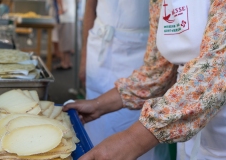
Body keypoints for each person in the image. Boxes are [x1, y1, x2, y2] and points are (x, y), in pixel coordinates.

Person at [64, 0, 226, 159]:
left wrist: (133, 140)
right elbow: (158, 71)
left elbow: (217, 68)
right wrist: (98, 105)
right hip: (189, 128)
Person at [75, 0, 170, 159]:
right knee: (95, 131)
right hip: (101, 44)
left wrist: (133, 141)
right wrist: (98, 105)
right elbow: (90, 5)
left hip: (141, 48)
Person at [47, 0, 75, 70]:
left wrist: (61, 9)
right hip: (70, 15)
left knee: (64, 40)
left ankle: (65, 63)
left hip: (64, 16)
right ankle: (67, 62)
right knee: (67, 41)